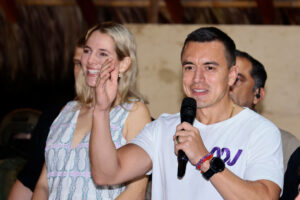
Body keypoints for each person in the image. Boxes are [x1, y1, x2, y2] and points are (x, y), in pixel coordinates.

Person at [89, 27, 283, 199]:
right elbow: (106, 174)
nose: (197, 79)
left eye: (209, 68)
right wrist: (101, 110)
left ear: (231, 75)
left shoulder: (260, 130)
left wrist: (204, 159)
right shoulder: (163, 128)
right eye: (189, 67)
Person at [32, 22, 151, 200]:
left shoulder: (134, 112)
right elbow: (44, 184)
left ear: (124, 63)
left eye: (102, 54)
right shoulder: (67, 110)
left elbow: (136, 191)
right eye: (87, 51)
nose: (90, 60)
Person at [7, 36, 85, 200]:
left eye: (92, 64)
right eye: (78, 63)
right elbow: (31, 178)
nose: (84, 71)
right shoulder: (55, 115)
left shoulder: (130, 117)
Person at [229, 49, 300, 171]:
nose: (227, 85)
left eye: (237, 79)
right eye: (222, 78)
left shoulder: (284, 144)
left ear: (258, 94)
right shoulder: (195, 136)